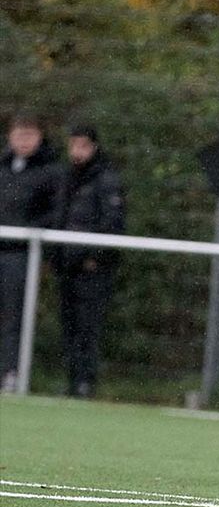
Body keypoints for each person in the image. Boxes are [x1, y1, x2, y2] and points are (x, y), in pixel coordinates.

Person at [49, 125, 125, 398]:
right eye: (73, 145)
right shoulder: (65, 177)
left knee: (87, 327)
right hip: (67, 265)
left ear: (93, 147)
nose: (77, 152)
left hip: (92, 269)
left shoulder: (106, 180)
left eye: (82, 146)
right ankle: (72, 380)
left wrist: (95, 256)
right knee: (69, 325)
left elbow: (113, 224)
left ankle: (85, 382)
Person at [0, 114, 60, 394]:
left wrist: (28, 231)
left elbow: (54, 213)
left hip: (20, 254)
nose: (23, 141)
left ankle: (10, 372)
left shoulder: (50, 172)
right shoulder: (2, 167)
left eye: (29, 135)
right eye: (19, 134)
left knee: (13, 317)